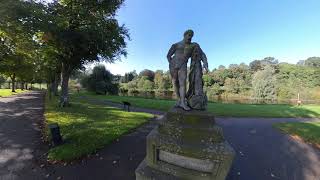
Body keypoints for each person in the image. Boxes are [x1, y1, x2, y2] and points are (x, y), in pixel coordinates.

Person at [167, 30, 198, 111]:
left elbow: (196, 55)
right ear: (184, 35)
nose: (190, 37)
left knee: (182, 83)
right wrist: (172, 63)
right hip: (173, 65)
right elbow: (168, 55)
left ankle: (183, 102)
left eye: (192, 36)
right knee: (175, 82)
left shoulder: (192, 46)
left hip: (183, 65)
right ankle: (179, 100)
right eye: (189, 35)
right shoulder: (176, 45)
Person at [186, 45, 209, 110]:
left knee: (198, 80)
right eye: (194, 49)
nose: (195, 50)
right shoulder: (190, 50)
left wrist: (205, 65)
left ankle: (198, 94)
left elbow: (204, 57)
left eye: (196, 49)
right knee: (191, 81)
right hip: (192, 68)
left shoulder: (199, 51)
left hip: (198, 66)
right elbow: (184, 56)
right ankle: (192, 94)